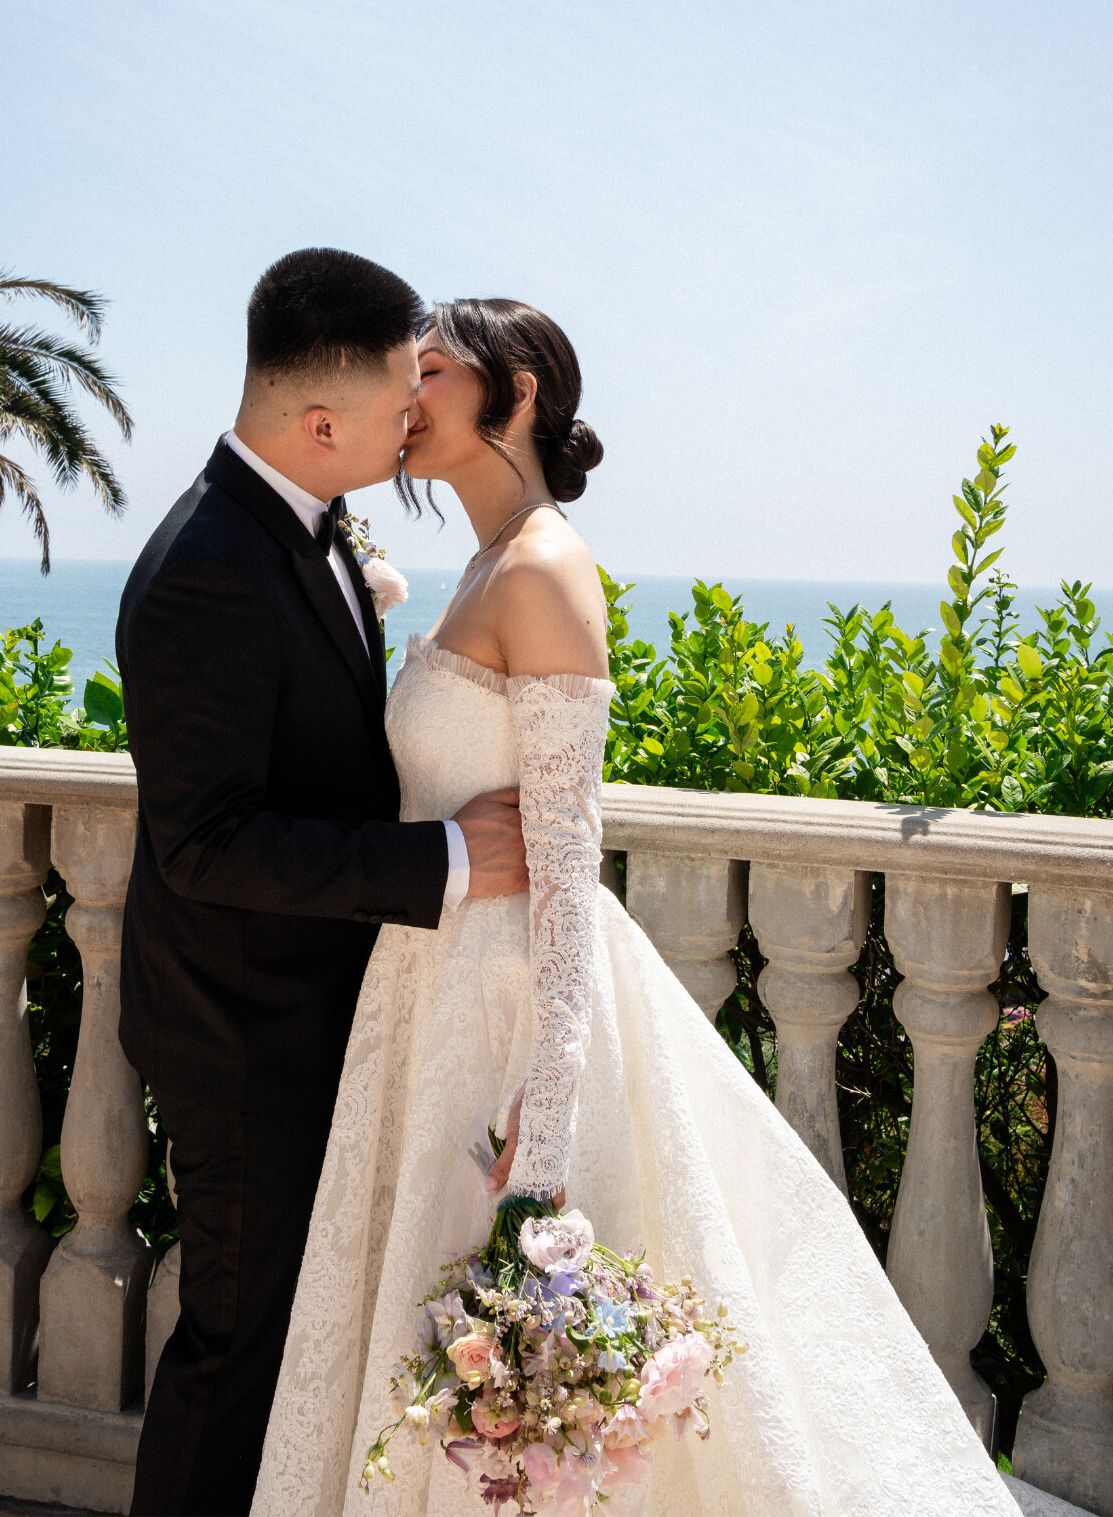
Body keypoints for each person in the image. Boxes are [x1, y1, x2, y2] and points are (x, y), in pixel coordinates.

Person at [249, 298, 1019, 1514]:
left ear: (515, 398)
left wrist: (538, 1145)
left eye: (432, 371)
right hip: (430, 997)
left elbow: (566, 870)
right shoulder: (482, 564)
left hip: (509, 1008)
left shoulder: (546, 570)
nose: (407, 395)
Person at [117, 248, 533, 1516]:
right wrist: (451, 856)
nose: (415, 413)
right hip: (239, 1029)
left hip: (311, 1012)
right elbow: (208, 842)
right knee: (235, 1346)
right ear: (318, 423)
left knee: (292, 1343)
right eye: (402, 394)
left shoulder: (299, 527)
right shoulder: (206, 566)